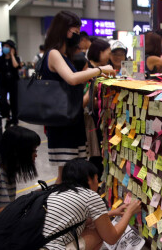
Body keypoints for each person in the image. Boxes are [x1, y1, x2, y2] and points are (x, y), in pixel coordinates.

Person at [4, 159, 143, 250]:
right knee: (97, 234)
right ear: (88, 179)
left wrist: (110, 213)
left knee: (81, 230)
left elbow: (75, 222)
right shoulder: (90, 196)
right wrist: (129, 212)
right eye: (97, 178)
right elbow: (111, 237)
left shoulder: (54, 191)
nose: (99, 182)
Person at [41, 10, 115, 182]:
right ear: (63, 30)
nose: (77, 37)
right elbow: (72, 79)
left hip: (70, 120)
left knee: (68, 171)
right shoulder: (54, 54)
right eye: (74, 32)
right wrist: (100, 70)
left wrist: (95, 73)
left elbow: (73, 76)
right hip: (62, 122)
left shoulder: (64, 55)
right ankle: (59, 206)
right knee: (67, 173)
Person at [84, 38, 111, 164]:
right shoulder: (88, 69)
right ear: (99, 52)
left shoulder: (96, 69)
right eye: (108, 52)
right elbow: (87, 97)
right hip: (87, 119)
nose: (109, 56)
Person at [0, 40, 22, 126]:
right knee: (3, 100)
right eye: (4, 46)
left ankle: (14, 119)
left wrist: (12, 55)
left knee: (14, 101)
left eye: (8, 47)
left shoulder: (16, 58)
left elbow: (16, 66)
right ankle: (7, 116)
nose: (5, 48)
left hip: (13, 82)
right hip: (3, 83)